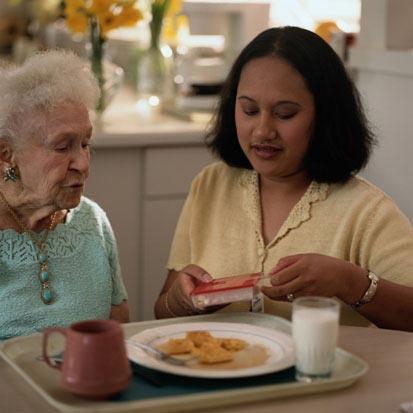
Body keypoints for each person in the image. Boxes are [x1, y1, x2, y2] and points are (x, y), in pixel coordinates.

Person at [154, 26, 413, 331]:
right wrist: (182, 301)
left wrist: (350, 283)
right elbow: (163, 309)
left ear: (325, 116)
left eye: (285, 114)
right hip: (219, 374)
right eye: (249, 110)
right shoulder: (211, 185)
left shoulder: (366, 212)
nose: (263, 131)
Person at [0, 50, 129, 340]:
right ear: (6, 155)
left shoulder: (92, 221)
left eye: (85, 143)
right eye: (62, 147)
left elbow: (118, 324)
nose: (83, 164)